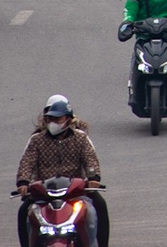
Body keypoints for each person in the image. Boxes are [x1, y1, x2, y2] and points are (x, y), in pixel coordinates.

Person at [15, 94, 106, 247]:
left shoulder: (80, 138)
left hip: (75, 193)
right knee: (24, 212)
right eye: (50, 119)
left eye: (58, 119)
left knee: (95, 210)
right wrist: (23, 182)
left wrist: (93, 177)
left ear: (68, 119)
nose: (53, 123)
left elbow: (90, 159)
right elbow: (27, 162)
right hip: (43, 195)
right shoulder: (37, 140)